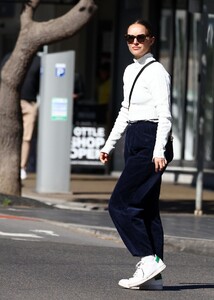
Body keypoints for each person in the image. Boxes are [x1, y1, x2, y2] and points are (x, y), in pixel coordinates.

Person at [99, 19, 173, 290]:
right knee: (146, 209)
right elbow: (125, 109)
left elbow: (165, 114)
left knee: (120, 204)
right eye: (130, 38)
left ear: (151, 39)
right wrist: (109, 145)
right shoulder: (130, 71)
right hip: (134, 137)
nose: (135, 42)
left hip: (152, 139)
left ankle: (148, 259)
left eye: (140, 37)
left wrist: (158, 150)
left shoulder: (157, 72)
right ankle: (155, 278)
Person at [1, 53, 41, 180]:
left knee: (26, 137)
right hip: (9, 100)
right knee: (6, 134)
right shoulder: (9, 57)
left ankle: (22, 167)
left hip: (29, 102)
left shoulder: (39, 61)